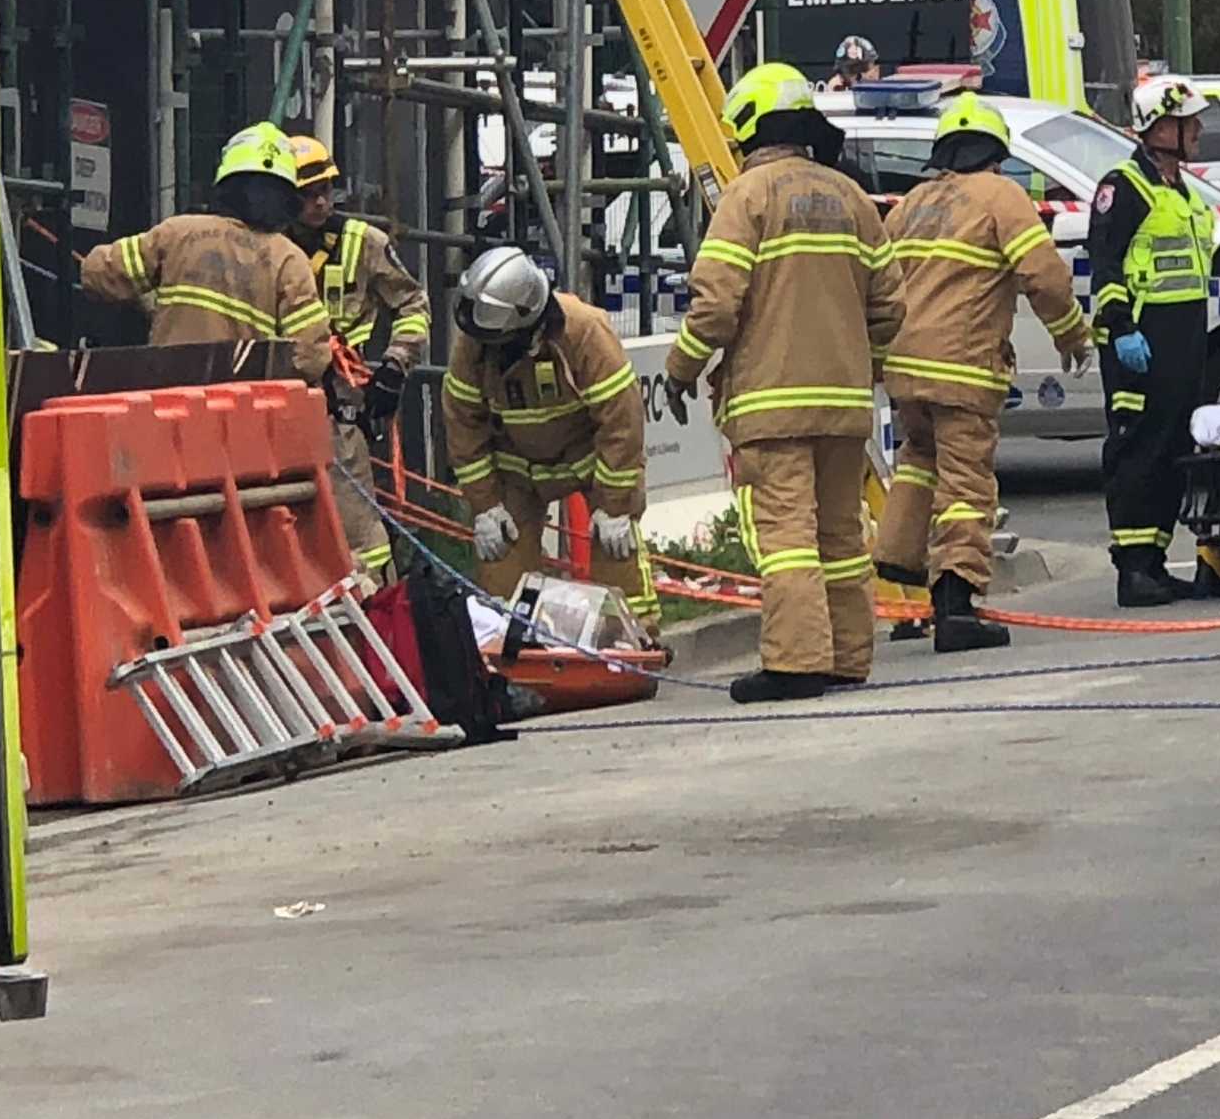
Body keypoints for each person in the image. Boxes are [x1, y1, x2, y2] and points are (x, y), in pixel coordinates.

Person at [664, 64, 903, 701]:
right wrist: (864, 366)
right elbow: (890, 304)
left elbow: (715, 306)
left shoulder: (748, 198)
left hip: (772, 405)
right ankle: (849, 658)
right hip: (845, 404)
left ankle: (796, 663)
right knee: (843, 537)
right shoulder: (850, 197)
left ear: (748, 127)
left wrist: (681, 368)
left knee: (788, 540)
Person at [874, 94, 1092, 650]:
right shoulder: (1001, 196)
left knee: (919, 462)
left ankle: (899, 559)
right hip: (963, 367)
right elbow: (1043, 274)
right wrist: (1071, 334)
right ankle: (956, 604)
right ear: (995, 154)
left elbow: (878, 282)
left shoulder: (911, 204)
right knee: (967, 484)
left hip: (904, 367)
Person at [1089, 78, 1220, 607]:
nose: (1199, 129)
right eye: (1189, 122)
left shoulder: (1176, 187)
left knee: (1173, 449)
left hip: (1181, 341)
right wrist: (1123, 329)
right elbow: (1107, 268)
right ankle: (1132, 569)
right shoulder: (1124, 187)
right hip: (1141, 340)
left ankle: (1154, 564)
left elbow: (1190, 261)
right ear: (1161, 126)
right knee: (1138, 451)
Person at [444, 245, 658, 629]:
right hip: (515, 473)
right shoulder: (478, 340)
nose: (489, 350)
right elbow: (463, 423)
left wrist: (613, 507)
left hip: (590, 464)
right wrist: (486, 507)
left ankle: (634, 648)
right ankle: (516, 662)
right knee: (502, 587)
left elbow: (621, 426)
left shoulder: (585, 332)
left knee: (616, 550)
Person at [78, 122, 330, 380]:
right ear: (286, 198)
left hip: (168, 397)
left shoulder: (178, 233)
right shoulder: (289, 260)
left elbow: (99, 274)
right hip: (241, 407)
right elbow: (311, 355)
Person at [287, 133, 429, 585]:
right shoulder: (268, 249)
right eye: (307, 195)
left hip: (345, 408)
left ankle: (377, 610)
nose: (320, 203)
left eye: (325, 191)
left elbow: (414, 305)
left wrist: (393, 367)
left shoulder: (362, 242)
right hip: (281, 403)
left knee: (359, 530)